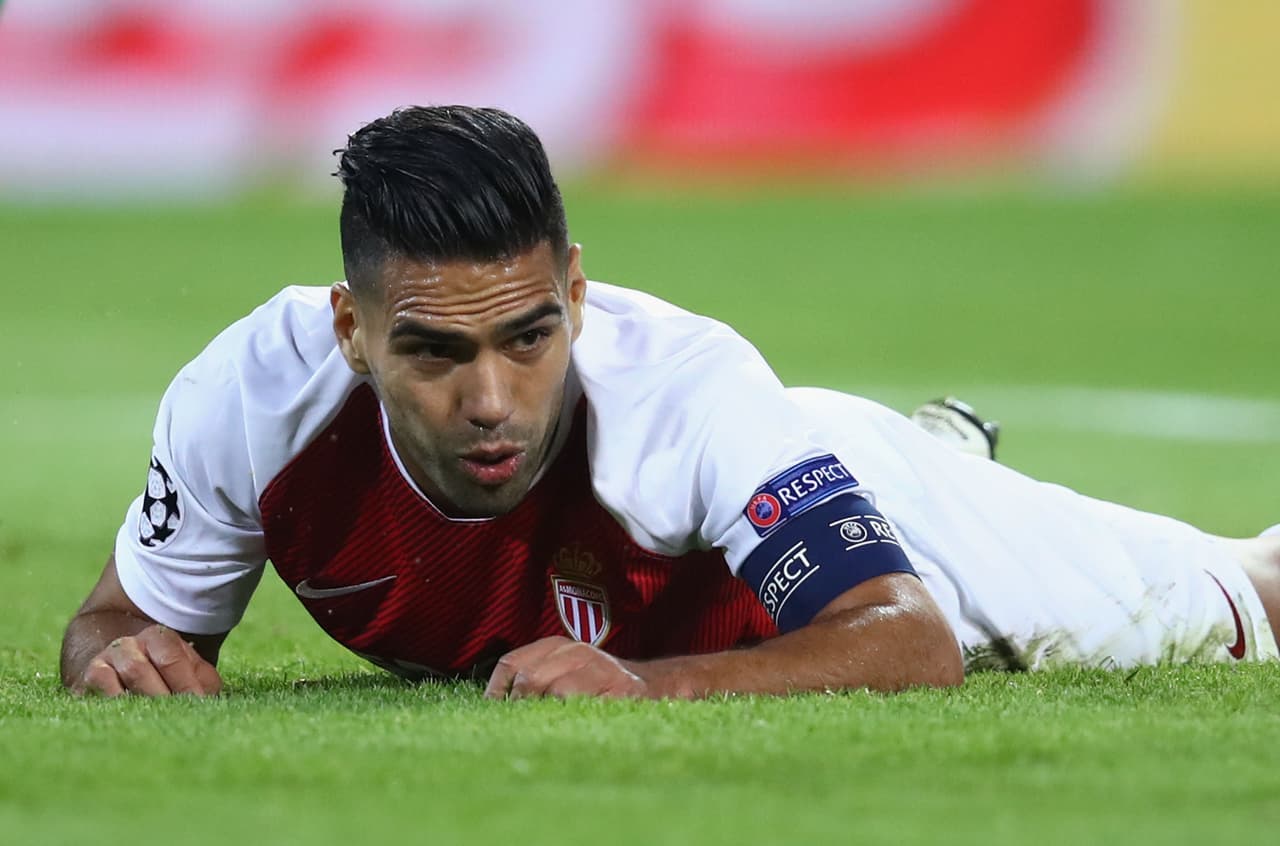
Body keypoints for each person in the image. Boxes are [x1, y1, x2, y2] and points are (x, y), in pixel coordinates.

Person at [59, 105, 1280, 699]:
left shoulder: (680, 390)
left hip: (880, 523)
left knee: (1244, 603)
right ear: (351, 332)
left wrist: (652, 688)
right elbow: (116, 621)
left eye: (530, 336)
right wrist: (123, 662)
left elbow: (905, 638)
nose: (493, 400)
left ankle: (909, 470)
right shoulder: (253, 399)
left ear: (577, 294)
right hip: (760, 466)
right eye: (434, 353)